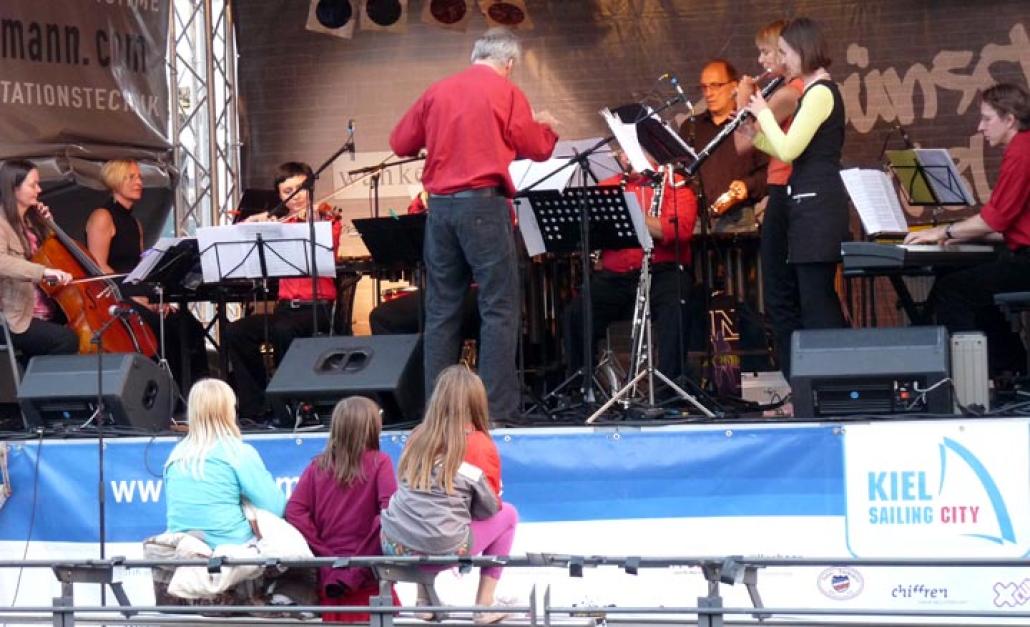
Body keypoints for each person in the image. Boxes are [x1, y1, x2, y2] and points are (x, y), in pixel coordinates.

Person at [389, 27, 559, 422]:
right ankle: (496, 411)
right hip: (483, 206)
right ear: (510, 63)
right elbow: (535, 147)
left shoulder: (438, 91)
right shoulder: (506, 91)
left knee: (441, 310)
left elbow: (400, 142)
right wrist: (545, 126)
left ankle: (438, 413)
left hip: (441, 211)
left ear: (474, 55)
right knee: (498, 307)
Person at [903, 83, 1030, 373]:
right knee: (965, 282)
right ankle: (1012, 372)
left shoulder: (1021, 153)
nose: (980, 126)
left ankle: (972, 380)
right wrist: (957, 231)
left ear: (1009, 119)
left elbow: (993, 220)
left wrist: (943, 232)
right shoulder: (1023, 148)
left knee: (954, 290)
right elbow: (1007, 224)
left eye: (987, 118)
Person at [742, 17, 849, 349]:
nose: (783, 60)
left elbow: (789, 148)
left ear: (804, 50)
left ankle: (838, 380)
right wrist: (755, 137)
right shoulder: (816, 92)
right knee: (813, 298)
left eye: (785, 52)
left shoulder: (819, 93)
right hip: (810, 205)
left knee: (817, 301)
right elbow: (788, 152)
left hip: (817, 207)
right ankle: (828, 384)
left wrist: (762, 113)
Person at [380, 365, 517, 625]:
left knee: (422, 514)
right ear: (476, 403)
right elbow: (489, 508)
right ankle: (484, 605)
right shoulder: (479, 444)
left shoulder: (417, 436)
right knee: (508, 514)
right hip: (442, 547)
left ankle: (423, 601)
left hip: (394, 543)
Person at [564, 148, 698, 386]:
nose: (626, 158)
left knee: (676, 306)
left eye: (632, 151)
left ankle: (669, 387)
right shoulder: (607, 187)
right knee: (577, 313)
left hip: (661, 271)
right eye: (622, 153)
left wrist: (630, 211)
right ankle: (582, 388)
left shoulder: (675, 184)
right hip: (616, 276)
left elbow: (679, 232)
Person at [224, 161, 344, 422]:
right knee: (236, 331)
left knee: (283, 329)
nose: (295, 196)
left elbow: (331, 244)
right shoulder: (278, 226)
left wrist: (315, 222)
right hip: (285, 309)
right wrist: (252, 224)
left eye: (300, 188)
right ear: (279, 196)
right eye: (287, 191)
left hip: (320, 307)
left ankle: (293, 403)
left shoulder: (326, 220)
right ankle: (256, 407)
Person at [85, 159, 209, 388]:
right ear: (116, 181)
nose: (139, 182)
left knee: (187, 324)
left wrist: (155, 298)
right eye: (131, 177)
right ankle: (170, 394)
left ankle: (197, 392)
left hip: (138, 292)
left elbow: (141, 267)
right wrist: (136, 297)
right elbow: (99, 267)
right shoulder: (102, 216)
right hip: (115, 297)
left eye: (139, 177)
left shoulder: (135, 223)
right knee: (160, 328)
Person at [734, 20, 806, 377]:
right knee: (787, 293)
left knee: (780, 294)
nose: (761, 60)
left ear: (784, 52)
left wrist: (741, 100)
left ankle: (797, 380)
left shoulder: (790, 92)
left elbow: (743, 143)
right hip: (784, 189)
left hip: (787, 189)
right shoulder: (786, 89)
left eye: (766, 52)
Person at [286, 396, 398, 623]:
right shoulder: (380, 462)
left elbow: (295, 511)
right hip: (368, 576)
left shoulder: (318, 465)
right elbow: (390, 514)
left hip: (330, 576)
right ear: (371, 427)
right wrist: (356, 564)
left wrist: (325, 552)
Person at [164, 378, 286, 548]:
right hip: (231, 546)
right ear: (228, 411)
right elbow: (275, 507)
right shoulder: (237, 451)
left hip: (182, 544)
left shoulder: (176, 455)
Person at [680, 59, 768, 234]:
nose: (708, 93)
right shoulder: (690, 127)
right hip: (698, 221)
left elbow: (769, 171)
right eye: (704, 87)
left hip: (740, 220)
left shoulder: (752, 124)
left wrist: (746, 185)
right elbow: (680, 171)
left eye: (715, 85)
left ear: (734, 86)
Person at [0, 159, 77, 359]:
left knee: (89, 332)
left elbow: (51, 261)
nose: (39, 189)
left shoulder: (32, 223)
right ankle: (42, 388)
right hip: (16, 317)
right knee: (66, 339)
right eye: (33, 184)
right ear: (14, 188)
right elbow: (3, 262)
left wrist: (48, 225)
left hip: (46, 308)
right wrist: (44, 273)